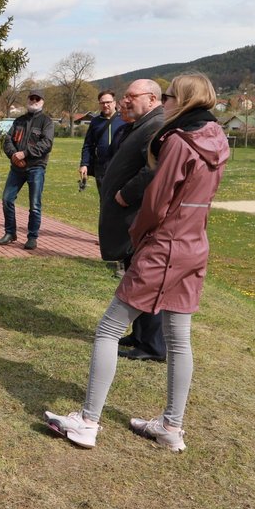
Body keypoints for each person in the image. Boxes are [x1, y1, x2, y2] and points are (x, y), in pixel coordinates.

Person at [44, 73, 230, 453]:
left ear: (185, 99)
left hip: (165, 246)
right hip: (194, 244)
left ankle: (87, 421)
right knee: (179, 339)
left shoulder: (180, 141)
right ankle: (171, 427)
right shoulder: (217, 139)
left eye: (170, 95)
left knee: (109, 328)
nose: (166, 100)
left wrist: (138, 237)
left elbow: (157, 202)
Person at [101, 79, 167, 361]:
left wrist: (125, 195)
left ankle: (152, 345)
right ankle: (141, 335)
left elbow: (155, 169)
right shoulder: (143, 124)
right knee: (134, 273)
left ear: (151, 99)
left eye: (131, 96)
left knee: (144, 280)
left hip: (138, 215)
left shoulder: (156, 125)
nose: (125, 101)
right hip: (130, 216)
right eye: (124, 96)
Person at [0, 91, 54, 250]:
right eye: (32, 98)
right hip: (16, 168)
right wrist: (14, 155)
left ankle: (32, 237)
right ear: (28, 100)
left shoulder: (46, 122)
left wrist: (25, 154)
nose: (34, 101)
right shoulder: (19, 120)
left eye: (37, 98)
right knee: (7, 199)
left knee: (34, 205)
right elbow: (7, 140)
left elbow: (46, 143)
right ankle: (10, 233)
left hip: (36, 168)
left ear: (42, 101)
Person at [79, 90, 125, 197]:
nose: (106, 105)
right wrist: (84, 164)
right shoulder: (95, 121)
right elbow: (88, 145)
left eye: (108, 102)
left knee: (119, 198)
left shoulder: (124, 119)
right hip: (101, 167)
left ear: (114, 103)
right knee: (104, 199)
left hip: (120, 166)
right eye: (102, 103)